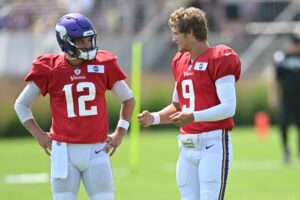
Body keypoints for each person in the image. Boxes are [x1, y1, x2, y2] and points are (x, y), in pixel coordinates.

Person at [14, 13, 135, 200]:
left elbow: (128, 99)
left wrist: (120, 132)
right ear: (65, 42)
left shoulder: (103, 64)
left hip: (97, 148)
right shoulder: (51, 68)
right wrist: (39, 135)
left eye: (89, 39)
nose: (87, 45)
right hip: (64, 151)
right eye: (81, 41)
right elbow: (21, 104)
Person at [138, 7, 241, 200]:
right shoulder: (180, 61)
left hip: (213, 144)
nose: (174, 38)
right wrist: (154, 118)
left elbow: (229, 108)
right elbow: (177, 106)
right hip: (186, 147)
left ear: (191, 33)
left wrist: (193, 116)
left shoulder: (219, 57)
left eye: (177, 33)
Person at [271, 34, 300, 165]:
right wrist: (273, 96)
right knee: (283, 125)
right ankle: (286, 152)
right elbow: (276, 79)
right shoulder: (283, 59)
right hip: (286, 99)